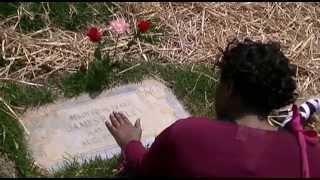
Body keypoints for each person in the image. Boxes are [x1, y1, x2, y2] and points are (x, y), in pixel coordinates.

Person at [105, 39, 320, 177]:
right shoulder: (310, 154)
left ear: (229, 88)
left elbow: (146, 167)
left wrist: (131, 143)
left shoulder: (190, 135)